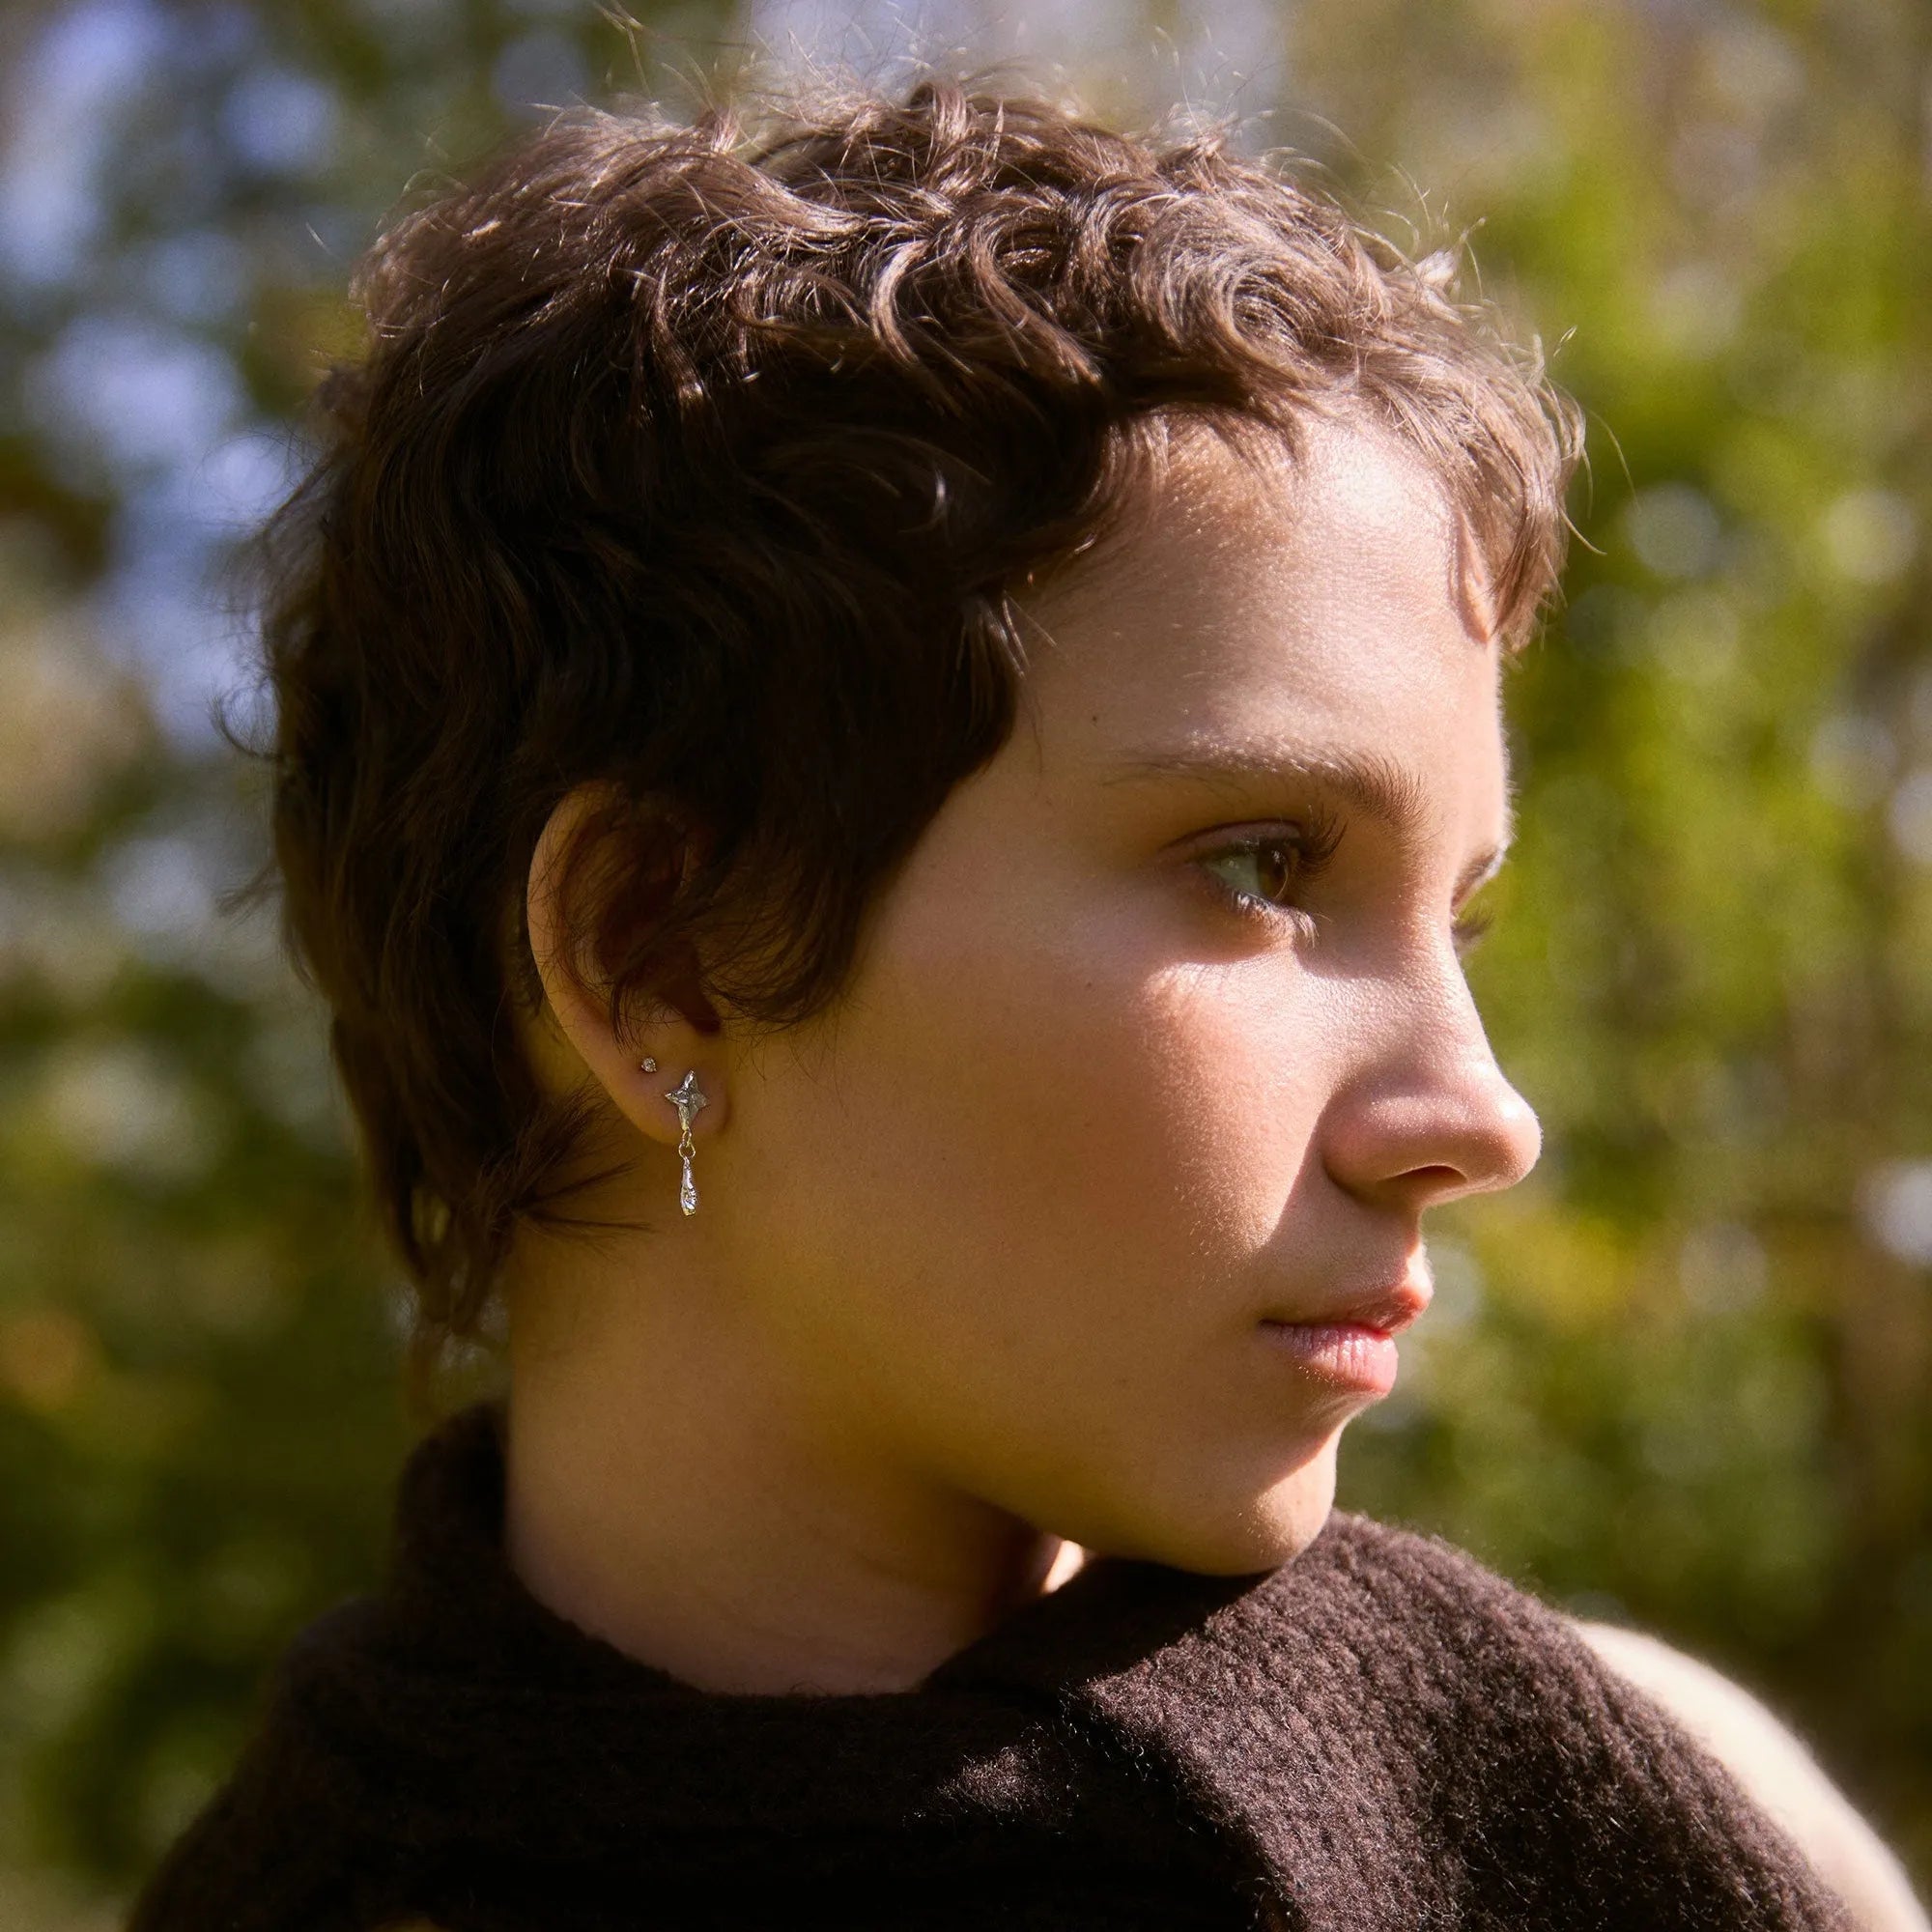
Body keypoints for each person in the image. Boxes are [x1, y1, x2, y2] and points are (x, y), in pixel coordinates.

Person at [128, 72, 1927, 1932]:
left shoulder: (1659, 1831)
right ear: (656, 954)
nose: (1483, 1118)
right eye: (1262, 866)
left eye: (1456, 924)